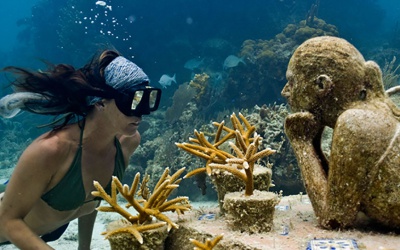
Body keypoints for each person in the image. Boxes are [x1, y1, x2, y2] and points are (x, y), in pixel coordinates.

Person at [0, 50, 161, 249]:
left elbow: (96, 196)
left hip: (49, 229)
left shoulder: (127, 142)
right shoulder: (51, 150)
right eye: (133, 101)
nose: (143, 112)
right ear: (101, 101)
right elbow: (8, 222)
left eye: (147, 100)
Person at [281, 36, 400, 229]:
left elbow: (334, 218)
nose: (285, 91)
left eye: (292, 82)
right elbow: (341, 193)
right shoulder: (371, 113)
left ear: (321, 85)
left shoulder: (355, 122)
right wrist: (314, 142)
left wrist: (301, 142)